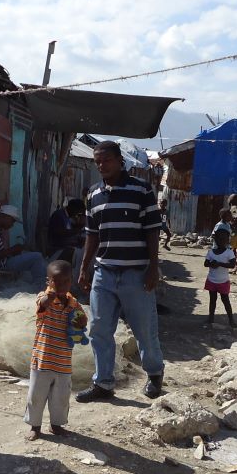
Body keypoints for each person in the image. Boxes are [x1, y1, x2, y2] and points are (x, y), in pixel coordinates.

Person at [76, 140, 165, 402]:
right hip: (104, 273)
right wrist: (84, 267)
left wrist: (153, 268)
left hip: (135, 273)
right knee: (99, 329)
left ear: (119, 161)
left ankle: (154, 373)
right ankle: (103, 382)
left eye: (106, 160)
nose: (102, 165)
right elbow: (92, 234)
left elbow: (152, 231)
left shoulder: (142, 190)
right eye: (97, 162)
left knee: (144, 329)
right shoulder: (93, 194)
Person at [25, 259, 87, 441]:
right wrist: (49, 297)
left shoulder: (73, 303)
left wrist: (81, 321)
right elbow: (41, 304)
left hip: (63, 360)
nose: (60, 285)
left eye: (65, 281)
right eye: (56, 281)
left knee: (60, 396)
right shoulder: (43, 297)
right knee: (36, 395)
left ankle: (56, 425)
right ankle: (35, 426)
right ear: (48, 281)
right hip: (42, 359)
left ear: (71, 281)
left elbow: (82, 319)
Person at [0, 205, 47, 282]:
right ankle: (40, 285)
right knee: (37, 257)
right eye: (12, 221)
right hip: (0, 266)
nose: (12, 225)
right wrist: (12, 250)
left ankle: (43, 281)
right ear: (4, 216)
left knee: (28, 254)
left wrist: (14, 251)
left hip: (3, 262)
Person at [204, 229, 237, 329]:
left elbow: (232, 265)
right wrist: (212, 264)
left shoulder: (229, 252)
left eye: (224, 239)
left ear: (227, 240)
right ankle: (211, 318)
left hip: (223, 281)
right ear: (215, 240)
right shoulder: (211, 252)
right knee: (212, 300)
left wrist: (218, 264)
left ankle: (231, 320)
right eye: (219, 239)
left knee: (225, 300)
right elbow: (205, 264)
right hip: (211, 280)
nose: (221, 241)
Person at [47, 198, 86, 264]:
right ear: (73, 209)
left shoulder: (67, 217)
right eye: (78, 212)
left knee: (84, 248)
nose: (77, 214)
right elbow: (59, 233)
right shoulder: (59, 215)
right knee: (80, 254)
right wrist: (76, 231)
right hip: (57, 249)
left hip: (64, 246)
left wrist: (77, 239)